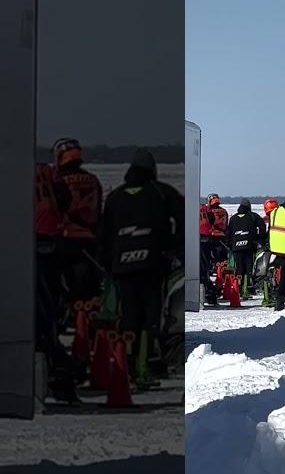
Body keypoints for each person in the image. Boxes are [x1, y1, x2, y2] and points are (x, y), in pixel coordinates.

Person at [101, 149, 184, 387]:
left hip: (122, 267)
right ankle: (146, 364)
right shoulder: (160, 192)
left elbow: (104, 232)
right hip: (152, 264)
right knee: (152, 315)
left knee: (127, 315)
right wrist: (174, 247)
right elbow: (182, 216)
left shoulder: (115, 196)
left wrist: (109, 261)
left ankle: (125, 364)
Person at [35, 162, 78, 402]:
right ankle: (60, 378)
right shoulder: (47, 170)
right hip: (52, 241)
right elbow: (64, 198)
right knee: (45, 312)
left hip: (29, 239)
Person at [52, 138, 103, 317]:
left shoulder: (59, 182)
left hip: (65, 239)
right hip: (91, 240)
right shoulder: (92, 179)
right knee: (90, 288)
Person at [226, 198, 266, 300]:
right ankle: (248, 288)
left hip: (236, 246)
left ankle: (238, 288)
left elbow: (228, 232)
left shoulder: (233, 218)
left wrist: (230, 244)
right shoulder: (253, 216)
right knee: (249, 267)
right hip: (249, 246)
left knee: (238, 268)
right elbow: (262, 226)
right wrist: (259, 239)